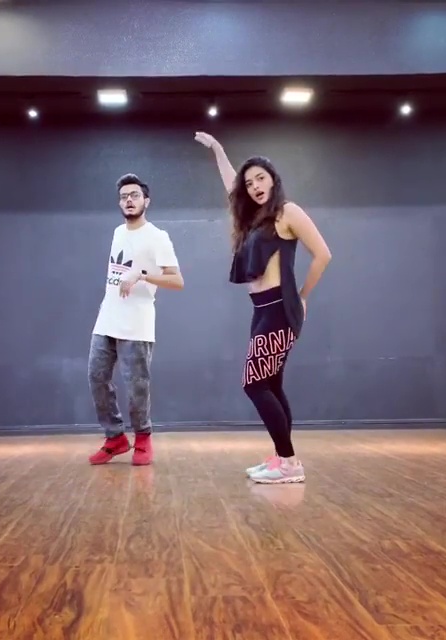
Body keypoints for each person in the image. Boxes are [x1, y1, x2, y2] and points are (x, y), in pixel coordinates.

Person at [194, 132, 332, 484]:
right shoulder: (255, 217)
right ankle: (282, 457)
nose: (255, 186)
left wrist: (303, 296)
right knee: (271, 384)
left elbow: (323, 254)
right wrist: (218, 149)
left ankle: (289, 463)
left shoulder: (288, 212)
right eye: (250, 182)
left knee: (254, 384)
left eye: (261, 178)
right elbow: (232, 186)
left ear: (273, 180)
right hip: (262, 310)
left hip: (279, 309)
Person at [87, 173, 184, 466]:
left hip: (137, 323)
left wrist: (142, 275)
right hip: (107, 319)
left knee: (136, 385)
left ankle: (143, 438)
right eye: (124, 196)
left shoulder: (157, 237)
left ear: (146, 201)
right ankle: (115, 437)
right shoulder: (118, 232)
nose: (129, 200)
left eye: (134, 195)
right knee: (96, 376)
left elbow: (177, 280)